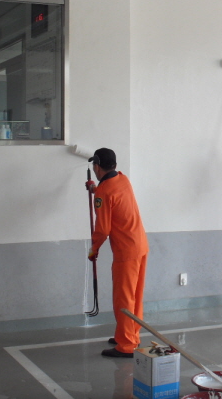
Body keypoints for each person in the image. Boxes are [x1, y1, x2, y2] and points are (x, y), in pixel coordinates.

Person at [86, 148, 149, 358]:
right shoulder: (123, 179)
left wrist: (94, 249)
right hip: (140, 245)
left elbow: (103, 229)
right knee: (135, 296)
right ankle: (130, 334)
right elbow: (111, 196)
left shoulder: (104, 193)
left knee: (123, 299)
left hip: (126, 252)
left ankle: (127, 345)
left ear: (97, 166)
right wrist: (95, 190)